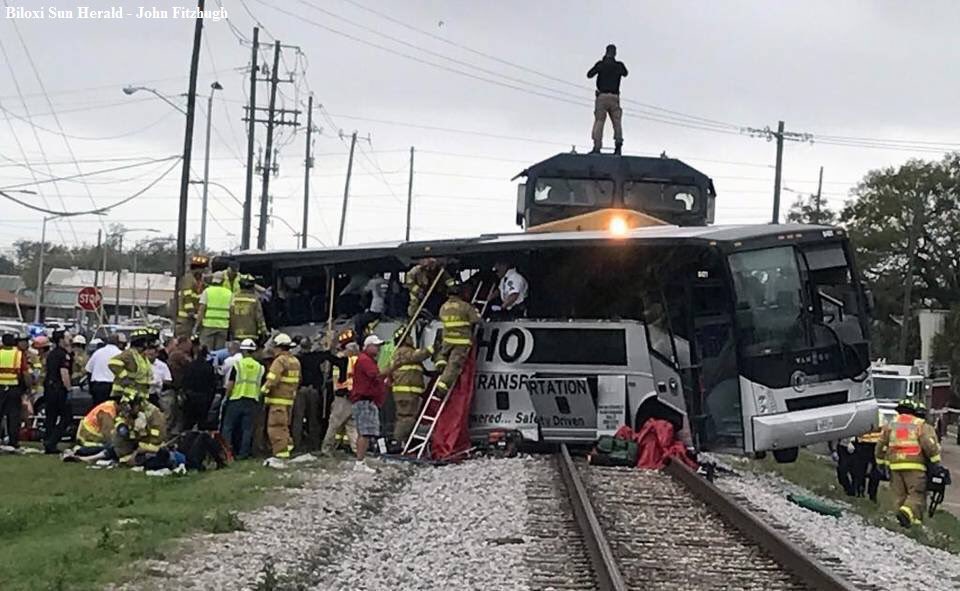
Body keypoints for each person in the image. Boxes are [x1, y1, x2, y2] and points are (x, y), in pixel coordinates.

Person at [875, 398, 942, 527]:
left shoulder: (891, 424)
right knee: (916, 493)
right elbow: (929, 445)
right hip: (915, 465)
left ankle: (907, 523)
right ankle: (907, 515)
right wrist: (935, 462)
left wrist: (880, 462)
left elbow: (880, 445)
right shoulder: (919, 424)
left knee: (899, 495)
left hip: (894, 465)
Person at [435, 281, 482, 396]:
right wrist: (476, 310)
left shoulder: (443, 307)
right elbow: (476, 319)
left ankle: (440, 362)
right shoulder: (465, 306)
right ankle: (442, 387)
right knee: (453, 365)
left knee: (443, 354)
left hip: (447, 339)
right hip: (461, 341)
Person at [260, 333, 302, 458]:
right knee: (284, 427)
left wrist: (262, 391)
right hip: (289, 401)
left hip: (277, 401)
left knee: (276, 428)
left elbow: (272, 379)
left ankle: (280, 455)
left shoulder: (280, 361)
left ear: (279, 347)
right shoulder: (295, 361)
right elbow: (298, 380)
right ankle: (287, 449)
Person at [223, 339, 264, 459]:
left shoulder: (238, 365)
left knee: (228, 427)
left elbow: (231, 383)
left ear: (243, 350)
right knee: (247, 429)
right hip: (252, 400)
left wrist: (226, 397)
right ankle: (243, 454)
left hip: (236, 398)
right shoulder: (260, 367)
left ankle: (226, 453)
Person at [351, 335, 387, 473]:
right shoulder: (365, 360)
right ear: (368, 346)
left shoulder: (368, 360)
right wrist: (393, 367)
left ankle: (361, 460)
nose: (378, 348)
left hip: (368, 401)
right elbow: (376, 376)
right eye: (376, 346)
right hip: (364, 401)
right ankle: (359, 463)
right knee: (365, 433)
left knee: (366, 432)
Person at [389, 327, 432, 443]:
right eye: (409, 336)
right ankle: (397, 442)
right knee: (406, 419)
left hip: (406, 393)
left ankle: (402, 442)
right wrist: (432, 349)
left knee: (405, 418)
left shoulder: (400, 353)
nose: (411, 339)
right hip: (407, 393)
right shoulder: (403, 351)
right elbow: (418, 355)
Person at [587, 44, 628, 155]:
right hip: (614, 97)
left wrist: (601, 66)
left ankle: (597, 147)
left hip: (602, 96)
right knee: (617, 122)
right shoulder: (619, 65)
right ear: (615, 53)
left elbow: (589, 75)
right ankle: (618, 146)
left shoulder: (601, 64)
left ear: (606, 52)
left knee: (599, 121)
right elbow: (625, 73)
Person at [320, 331, 356, 456]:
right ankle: (357, 451)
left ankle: (326, 449)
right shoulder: (359, 361)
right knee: (352, 426)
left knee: (334, 424)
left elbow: (330, 358)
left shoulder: (345, 361)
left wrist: (328, 346)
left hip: (343, 397)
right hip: (355, 397)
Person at [42, 330, 73, 454]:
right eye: (67, 337)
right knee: (67, 417)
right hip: (58, 389)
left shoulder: (51, 354)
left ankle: (48, 443)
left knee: (51, 417)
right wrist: (69, 388)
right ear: (61, 340)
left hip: (49, 388)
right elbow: (64, 373)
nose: (69, 339)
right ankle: (52, 441)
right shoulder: (63, 355)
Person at [0, 333, 30, 448]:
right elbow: (25, 373)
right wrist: (28, 386)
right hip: (13, 388)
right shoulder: (18, 354)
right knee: (13, 416)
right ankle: (13, 441)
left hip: (0, 388)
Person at [108, 329, 154, 402]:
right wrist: (125, 377)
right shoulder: (129, 354)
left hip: (137, 393)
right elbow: (113, 362)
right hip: (126, 394)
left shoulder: (141, 356)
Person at [181, 345, 218, 431]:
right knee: (202, 423)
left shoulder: (190, 366)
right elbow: (213, 385)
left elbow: (184, 381)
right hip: (203, 399)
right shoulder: (209, 367)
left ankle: (186, 440)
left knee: (188, 424)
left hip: (190, 398)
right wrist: (209, 399)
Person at [195, 271, 233, 351]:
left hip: (208, 326)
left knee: (206, 352)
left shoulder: (207, 292)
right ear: (223, 281)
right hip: (223, 327)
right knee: (219, 353)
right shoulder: (229, 293)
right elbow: (232, 312)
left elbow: (201, 310)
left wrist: (196, 326)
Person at [852, 414, 883, 502]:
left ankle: (864, 492)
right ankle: (866, 492)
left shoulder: (864, 415)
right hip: (868, 444)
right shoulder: (880, 416)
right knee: (862, 470)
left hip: (869, 444)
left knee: (865, 470)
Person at [176, 255, 209, 339]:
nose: (203, 271)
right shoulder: (188, 280)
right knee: (184, 342)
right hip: (185, 319)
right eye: (202, 269)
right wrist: (191, 312)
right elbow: (187, 297)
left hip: (194, 318)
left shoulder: (201, 282)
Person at [86, 335, 122, 406]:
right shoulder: (120, 353)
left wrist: (91, 388)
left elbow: (89, 370)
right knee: (112, 410)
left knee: (99, 411)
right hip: (114, 387)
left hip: (99, 387)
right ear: (118, 343)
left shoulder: (98, 353)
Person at [230, 275, 267, 343]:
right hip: (251, 333)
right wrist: (264, 331)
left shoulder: (233, 298)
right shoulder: (254, 299)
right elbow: (259, 317)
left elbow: (229, 314)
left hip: (235, 333)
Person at [354, 274, 389, 344]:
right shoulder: (386, 281)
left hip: (375, 310)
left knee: (358, 319)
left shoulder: (373, 282)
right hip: (385, 309)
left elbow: (364, 291)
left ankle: (360, 339)